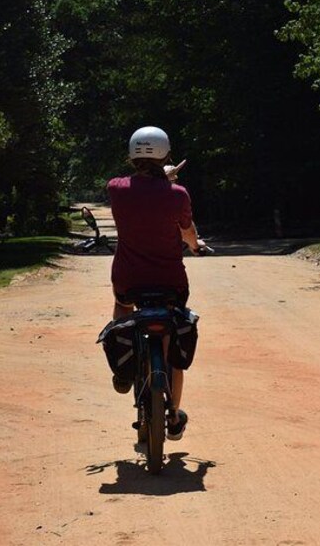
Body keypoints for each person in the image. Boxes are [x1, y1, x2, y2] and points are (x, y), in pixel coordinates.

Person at [107, 126, 205, 439]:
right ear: (166, 153)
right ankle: (173, 415)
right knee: (172, 336)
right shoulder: (177, 194)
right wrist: (194, 245)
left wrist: (162, 176)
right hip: (170, 282)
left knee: (122, 305)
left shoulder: (116, 188)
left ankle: (122, 369)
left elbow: (140, 189)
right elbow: (188, 232)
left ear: (132, 155)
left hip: (128, 278)